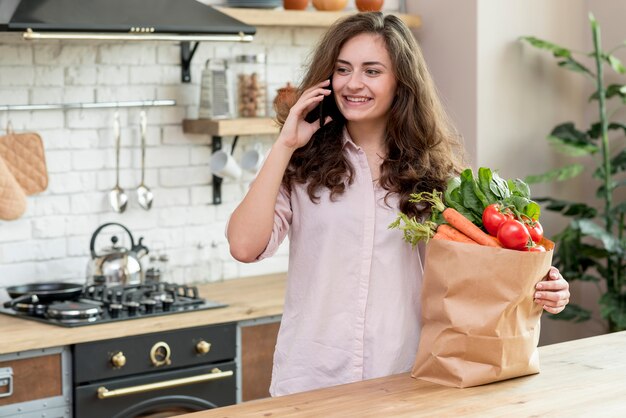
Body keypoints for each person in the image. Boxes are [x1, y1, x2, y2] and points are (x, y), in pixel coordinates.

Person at [226, 12, 570, 396]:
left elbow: (482, 272)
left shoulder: (439, 175)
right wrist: (284, 145)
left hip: (408, 373)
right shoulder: (301, 165)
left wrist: (542, 286)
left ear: (400, 82)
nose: (353, 83)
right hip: (313, 376)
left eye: (372, 71)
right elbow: (244, 246)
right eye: (343, 69)